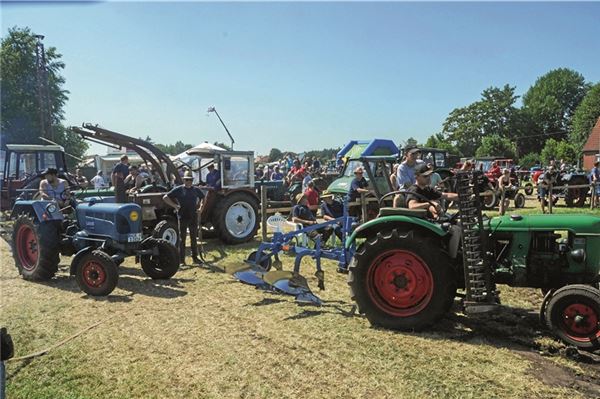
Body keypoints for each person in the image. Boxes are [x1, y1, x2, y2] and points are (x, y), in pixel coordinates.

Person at [163, 171, 205, 265]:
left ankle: (195, 258)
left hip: (193, 216)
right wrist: (174, 206)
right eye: (187, 180)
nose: (188, 181)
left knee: (194, 238)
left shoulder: (196, 190)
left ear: (192, 180)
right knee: (182, 239)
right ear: (184, 180)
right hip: (182, 217)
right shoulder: (179, 189)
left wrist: (201, 207)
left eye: (190, 180)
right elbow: (165, 197)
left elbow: (203, 197)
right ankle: (182, 260)